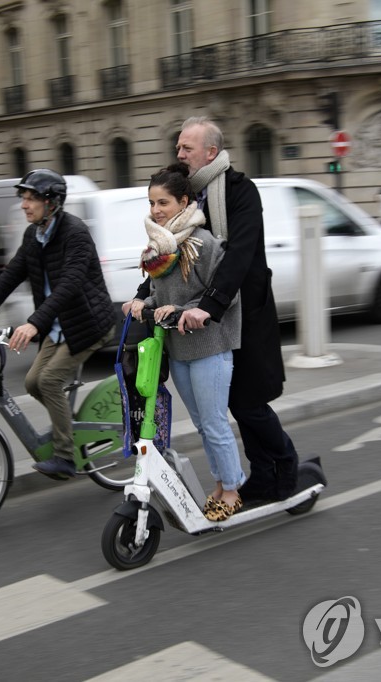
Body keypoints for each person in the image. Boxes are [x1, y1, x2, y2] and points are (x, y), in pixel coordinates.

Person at [129, 116, 300, 503]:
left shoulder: (239, 191)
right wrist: (143, 295)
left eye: (187, 148)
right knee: (230, 407)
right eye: (178, 147)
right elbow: (166, 257)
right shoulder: (183, 197)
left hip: (244, 310)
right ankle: (257, 477)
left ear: (211, 152)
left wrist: (211, 305)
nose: (180, 153)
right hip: (204, 316)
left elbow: (238, 255)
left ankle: (285, 462)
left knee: (248, 403)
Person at [0, 169, 116, 480]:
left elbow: (70, 283)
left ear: (52, 203)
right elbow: (9, 277)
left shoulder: (74, 233)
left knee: (48, 381)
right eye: (23, 198)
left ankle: (65, 458)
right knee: (32, 382)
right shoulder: (33, 235)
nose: (25, 204)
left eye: (32, 199)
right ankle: (68, 426)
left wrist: (34, 324)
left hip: (87, 323)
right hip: (57, 324)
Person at [128, 163, 244, 521]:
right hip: (178, 349)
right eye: (151, 203)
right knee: (200, 422)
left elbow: (227, 295)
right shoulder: (158, 250)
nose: (155, 211)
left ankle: (233, 488)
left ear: (184, 201)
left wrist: (188, 310)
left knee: (213, 422)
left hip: (210, 347)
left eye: (163, 202)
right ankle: (222, 482)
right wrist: (141, 304)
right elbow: (161, 294)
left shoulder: (204, 244)